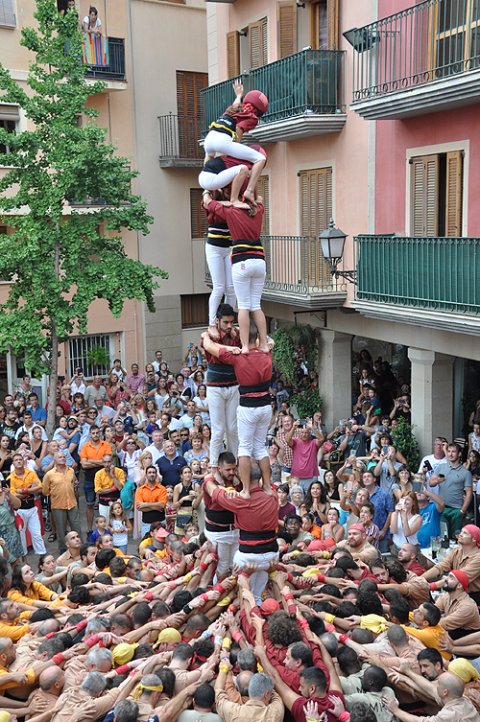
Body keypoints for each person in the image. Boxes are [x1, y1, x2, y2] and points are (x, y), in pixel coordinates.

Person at [202, 320, 272, 497]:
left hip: (248, 406)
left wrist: (204, 335)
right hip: (265, 405)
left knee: (245, 449)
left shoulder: (238, 356)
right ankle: (268, 486)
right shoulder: (267, 352)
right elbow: (269, 341)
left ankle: (246, 490)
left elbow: (210, 347)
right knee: (261, 448)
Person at [202, 191, 268, 354]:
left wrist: (210, 193)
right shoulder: (256, 210)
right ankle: (264, 343)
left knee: (241, 302)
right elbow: (259, 199)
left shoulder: (232, 211)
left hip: (240, 258)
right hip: (257, 259)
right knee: (253, 304)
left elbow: (209, 202)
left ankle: (242, 342)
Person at [204, 461, 278, 603]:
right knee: (257, 596)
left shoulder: (240, 499)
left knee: (242, 594)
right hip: (271, 556)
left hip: (247, 557)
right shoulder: (273, 493)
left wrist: (209, 477)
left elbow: (212, 491)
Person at [201, 80, 268, 206]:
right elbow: (239, 128)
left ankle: (207, 189)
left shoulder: (234, 108)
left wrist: (238, 95)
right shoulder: (252, 117)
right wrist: (236, 142)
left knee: (209, 157)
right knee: (260, 158)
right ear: (258, 111)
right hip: (223, 140)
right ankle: (248, 191)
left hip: (210, 138)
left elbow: (236, 103)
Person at [201, 303, 240, 470]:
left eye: (232, 322)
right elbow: (213, 348)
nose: (229, 325)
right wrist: (232, 348)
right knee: (218, 430)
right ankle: (214, 465)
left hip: (234, 385)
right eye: (226, 322)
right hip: (215, 387)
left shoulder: (236, 333)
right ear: (217, 321)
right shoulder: (207, 335)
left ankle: (236, 463)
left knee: (233, 428)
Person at [385, 671, 479, 722]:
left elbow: (419, 721)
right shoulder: (463, 699)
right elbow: (430, 688)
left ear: (445, 692)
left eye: (438, 684)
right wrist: (407, 676)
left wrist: (395, 710)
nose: (435, 685)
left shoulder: (449, 715)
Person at [429, 442, 473, 538]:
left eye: (453, 451)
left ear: (459, 454)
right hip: (442, 509)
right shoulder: (441, 467)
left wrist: (462, 511)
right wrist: (437, 480)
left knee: (456, 538)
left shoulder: (465, 473)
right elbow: (431, 483)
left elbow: (469, 493)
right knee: (442, 537)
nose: (450, 454)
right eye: (448, 451)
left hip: (457, 510)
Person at [42, 451, 82, 554]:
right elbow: (45, 491)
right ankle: (63, 550)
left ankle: (79, 548)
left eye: (64, 457)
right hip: (58, 505)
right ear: (54, 460)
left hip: (72, 503)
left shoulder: (71, 471)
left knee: (76, 527)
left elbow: (74, 484)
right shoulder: (49, 474)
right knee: (61, 530)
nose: (63, 459)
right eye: (60, 457)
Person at [8, 452, 46, 556]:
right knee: (22, 536)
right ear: (13, 463)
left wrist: (23, 491)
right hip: (20, 511)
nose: (19, 461)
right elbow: (13, 496)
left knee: (37, 534)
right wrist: (30, 490)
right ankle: (24, 560)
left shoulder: (31, 473)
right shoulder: (10, 478)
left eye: (20, 459)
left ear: (23, 460)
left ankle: (42, 556)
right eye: (16, 460)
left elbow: (39, 487)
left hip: (32, 508)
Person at [79, 425, 112, 535]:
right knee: (89, 504)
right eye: (93, 433)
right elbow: (84, 464)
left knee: (106, 503)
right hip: (89, 479)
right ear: (90, 434)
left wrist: (91, 460)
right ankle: (89, 529)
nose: (95, 435)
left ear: (100, 433)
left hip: (105, 478)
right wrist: (100, 462)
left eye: (97, 432)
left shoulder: (106, 445)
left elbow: (107, 463)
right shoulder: (85, 447)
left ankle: (106, 529)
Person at [285, 419, 324, 496]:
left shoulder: (313, 443)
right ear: (299, 434)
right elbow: (287, 440)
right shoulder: (296, 442)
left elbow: (321, 439)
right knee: (295, 498)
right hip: (297, 477)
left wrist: (312, 427)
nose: (304, 434)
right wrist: (293, 427)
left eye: (306, 432)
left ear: (309, 434)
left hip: (311, 477)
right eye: (302, 432)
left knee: (310, 498)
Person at [135, 465, 168, 538]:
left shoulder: (162, 489)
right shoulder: (140, 490)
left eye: (153, 472)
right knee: (146, 545)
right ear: (146, 475)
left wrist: (145, 504)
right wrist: (156, 507)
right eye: (149, 472)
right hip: (146, 523)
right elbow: (139, 507)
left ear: (156, 474)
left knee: (161, 545)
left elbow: (162, 505)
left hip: (160, 522)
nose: (152, 474)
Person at [94, 453, 125, 520]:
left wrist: (113, 475)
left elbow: (120, 487)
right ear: (102, 463)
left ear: (112, 462)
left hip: (117, 502)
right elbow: (98, 491)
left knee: (117, 525)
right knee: (105, 525)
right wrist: (112, 489)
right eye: (105, 462)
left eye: (109, 462)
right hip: (103, 502)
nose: (107, 464)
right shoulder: (98, 474)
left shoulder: (119, 471)